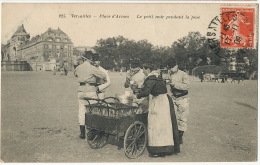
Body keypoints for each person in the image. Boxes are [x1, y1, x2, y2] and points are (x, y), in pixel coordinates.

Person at [136, 63, 180, 157]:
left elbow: (147, 91)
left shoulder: (150, 78)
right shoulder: (157, 77)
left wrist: (138, 95)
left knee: (156, 124)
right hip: (165, 100)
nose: (143, 71)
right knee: (165, 125)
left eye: (143, 69)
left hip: (159, 102)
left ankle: (158, 150)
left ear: (147, 69)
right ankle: (167, 148)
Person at [74, 51, 106, 139]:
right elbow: (103, 76)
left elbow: (75, 74)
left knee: (81, 111)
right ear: (91, 59)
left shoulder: (78, 67)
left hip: (80, 90)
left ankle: (82, 133)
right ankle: (92, 133)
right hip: (91, 90)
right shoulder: (92, 68)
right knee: (93, 111)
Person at [167, 58, 190, 144]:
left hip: (182, 98)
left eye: (172, 67)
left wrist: (175, 84)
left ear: (177, 65)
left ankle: (180, 137)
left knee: (182, 118)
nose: (171, 69)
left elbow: (187, 87)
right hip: (173, 97)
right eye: (170, 67)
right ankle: (174, 135)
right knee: (172, 117)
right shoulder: (169, 73)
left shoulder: (183, 74)